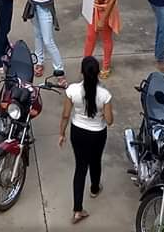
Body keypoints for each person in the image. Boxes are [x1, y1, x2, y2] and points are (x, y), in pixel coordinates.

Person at [59, 55, 112, 225]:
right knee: (95, 161)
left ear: (81, 72)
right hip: (97, 133)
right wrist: (104, 112)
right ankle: (95, 189)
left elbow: (66, 115)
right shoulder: (105, 95)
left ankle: (77, 210)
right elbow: (110, 121)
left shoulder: (72, 90)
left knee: (80, 167)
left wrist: (61, 133)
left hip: (78, 132)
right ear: (98, 73)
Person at [28, 0, 66, 85]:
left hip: (44, 9)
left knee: (48, 41)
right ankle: (39, 61)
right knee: (37, 35)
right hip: (33, 6)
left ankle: (59, 71)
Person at [83, 0, 121, 79]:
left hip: (106, 11)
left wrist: (103, 19)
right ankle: (86, 62)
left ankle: (106, 66)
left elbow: (111, 1)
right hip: (94, 8)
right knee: (90, 37)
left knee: (106, 39)